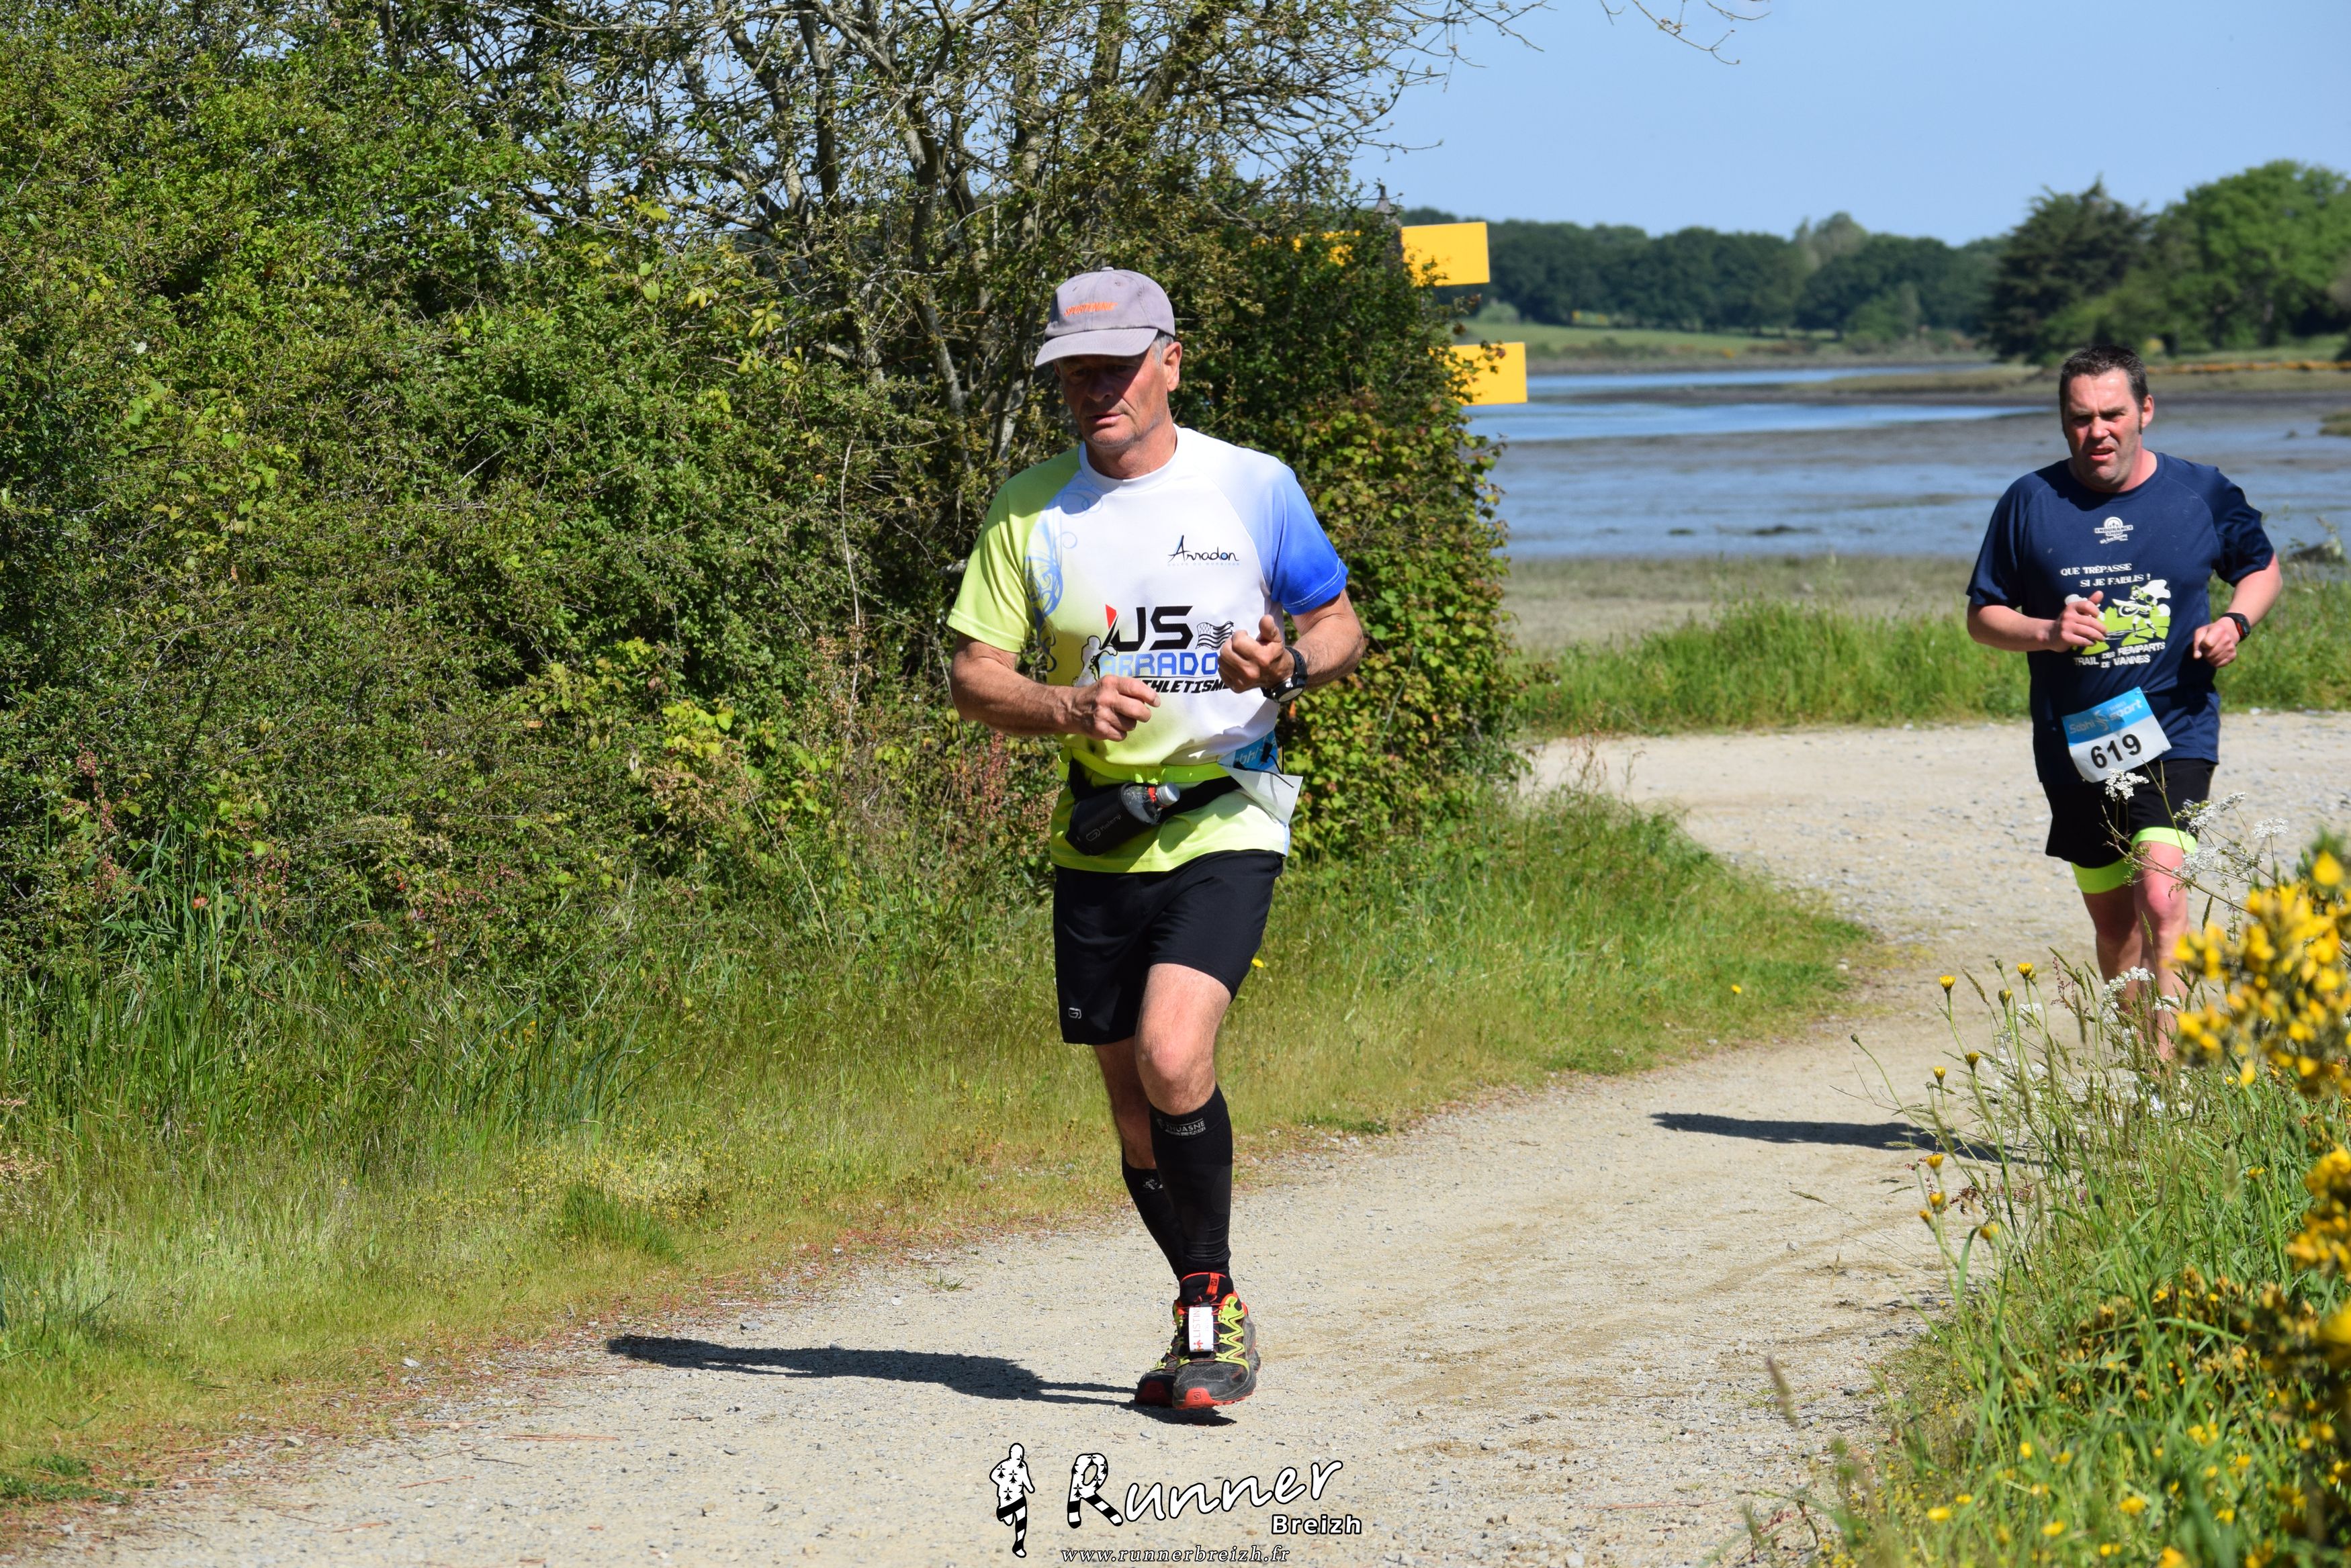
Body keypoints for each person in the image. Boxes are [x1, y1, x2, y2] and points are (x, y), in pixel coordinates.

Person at [947, 268, 1365, 1410]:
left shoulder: (1252, 485)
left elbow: (1338, 623)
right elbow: (974, 674)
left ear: (1170, 362)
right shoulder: (1029, 509)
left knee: (1176, 1054)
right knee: (1137, 1112)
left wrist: (1288, 665)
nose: (1097, 390)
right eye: (1074, 373)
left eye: (1118, 368)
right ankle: (1206, 1302)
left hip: (1230, 807)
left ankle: (1206, 1318)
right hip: (1101, 831)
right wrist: (1064, 704)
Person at [1965, 342, 2280, 1017]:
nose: (2097, 431)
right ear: (2063, 421)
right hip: (2074, 739)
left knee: (2162, 901)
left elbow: (2261, 567)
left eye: (2112, 414)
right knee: (2116, 929)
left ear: (2145, 410)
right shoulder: (2029, 501)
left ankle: (2169, 1064)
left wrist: (2235, 622)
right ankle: (2139, 1054)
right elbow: (1982, 616)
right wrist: (2048, 631)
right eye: (2081, 418)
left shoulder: (2200, 491)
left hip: (2174, 724)